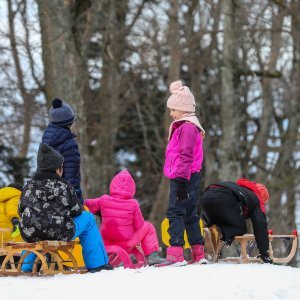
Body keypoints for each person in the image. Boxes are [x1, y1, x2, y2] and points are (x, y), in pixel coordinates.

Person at [18, 143, 111, 273]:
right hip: (59, 232)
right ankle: (98, 265)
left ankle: (26, 267)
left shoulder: (28, 186)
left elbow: (20, 210)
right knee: (88, 219)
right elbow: (76, 210)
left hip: (30, 232)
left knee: (35, 226)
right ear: (57, 169)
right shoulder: (64, 185)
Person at [161, 80, 206, 266]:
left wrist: (180, 181)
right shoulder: (187, 126)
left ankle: (176, 253)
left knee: (176, 212)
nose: (171, 113)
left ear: (183, 109)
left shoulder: (187, 127)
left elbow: (185, 155)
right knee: (189, 213)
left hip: (183, 177)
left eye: (173, 110)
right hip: (190, 176)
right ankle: (198, 253)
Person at [84, 170, 165, 266]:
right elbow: (139, 225)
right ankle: (152, 256)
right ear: (132, 188)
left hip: (106, 243)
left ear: (113, 185)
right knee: (148, 227)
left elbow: (87, 204)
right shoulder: (133, 204)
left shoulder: (104, 200)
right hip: (126, 243)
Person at [199, 178, 273, 263]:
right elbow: (260, 226)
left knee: (219, 226)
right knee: (239, 229)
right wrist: (265, 254)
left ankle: (208, 246)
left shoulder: (241, 188)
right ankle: (216, 231)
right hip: (225, 198)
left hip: (206, 196)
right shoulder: (257, 199)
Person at [42, 97, 83, 202]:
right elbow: (72, 176)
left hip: (45, 195)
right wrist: (78, 200)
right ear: (69, 122)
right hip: (63, 198)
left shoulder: (45, 140)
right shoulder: (69, 144)